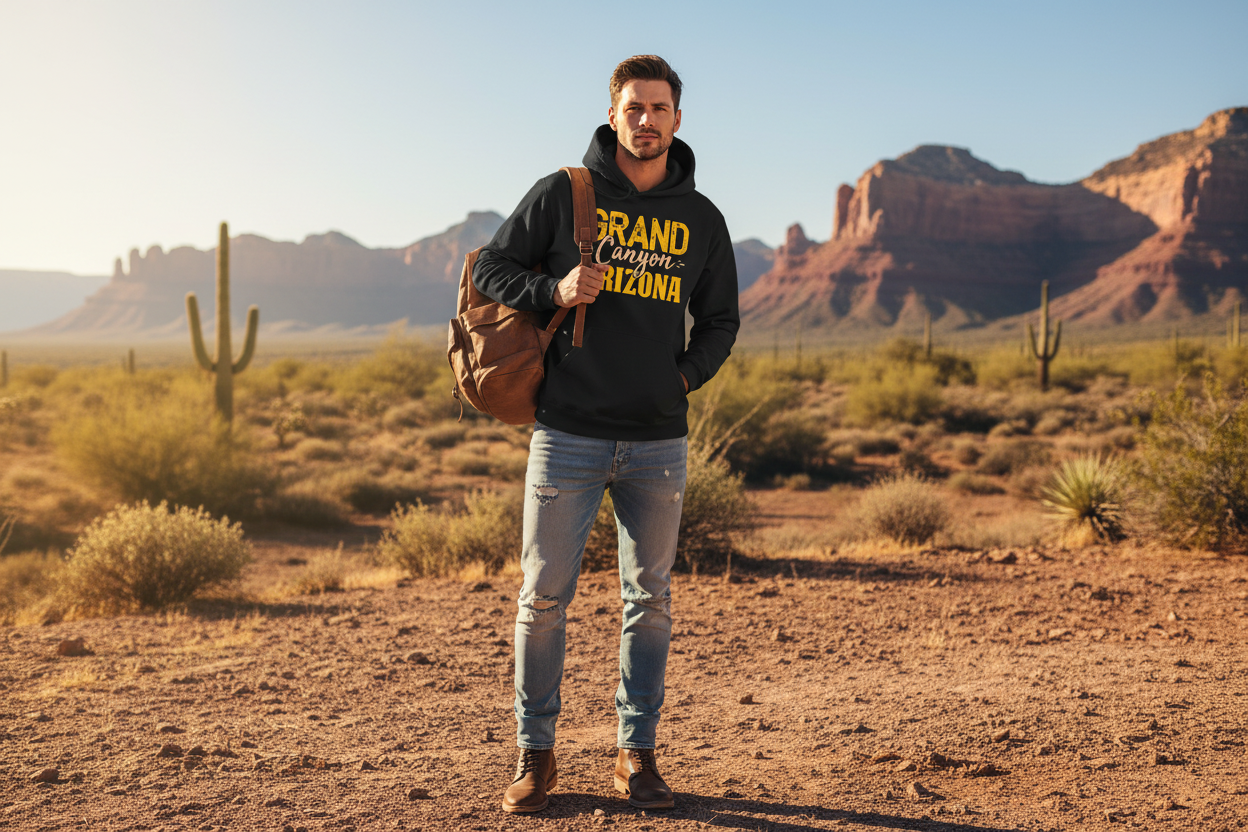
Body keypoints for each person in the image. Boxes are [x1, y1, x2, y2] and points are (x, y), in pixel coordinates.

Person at [473, 54, 739, 814]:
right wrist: (550, 288)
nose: (647, 121)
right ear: (613, 114)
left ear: (678, 119)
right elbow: (490, 267)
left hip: (658, 439)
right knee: (542, 598)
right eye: (634, 108)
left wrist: (680, 380)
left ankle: (636, 754)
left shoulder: (701, 218)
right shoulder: (565, 192)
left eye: (660, 108)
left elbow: (721, 320)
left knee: (648, 600)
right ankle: (535, 755)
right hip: (569, 433)